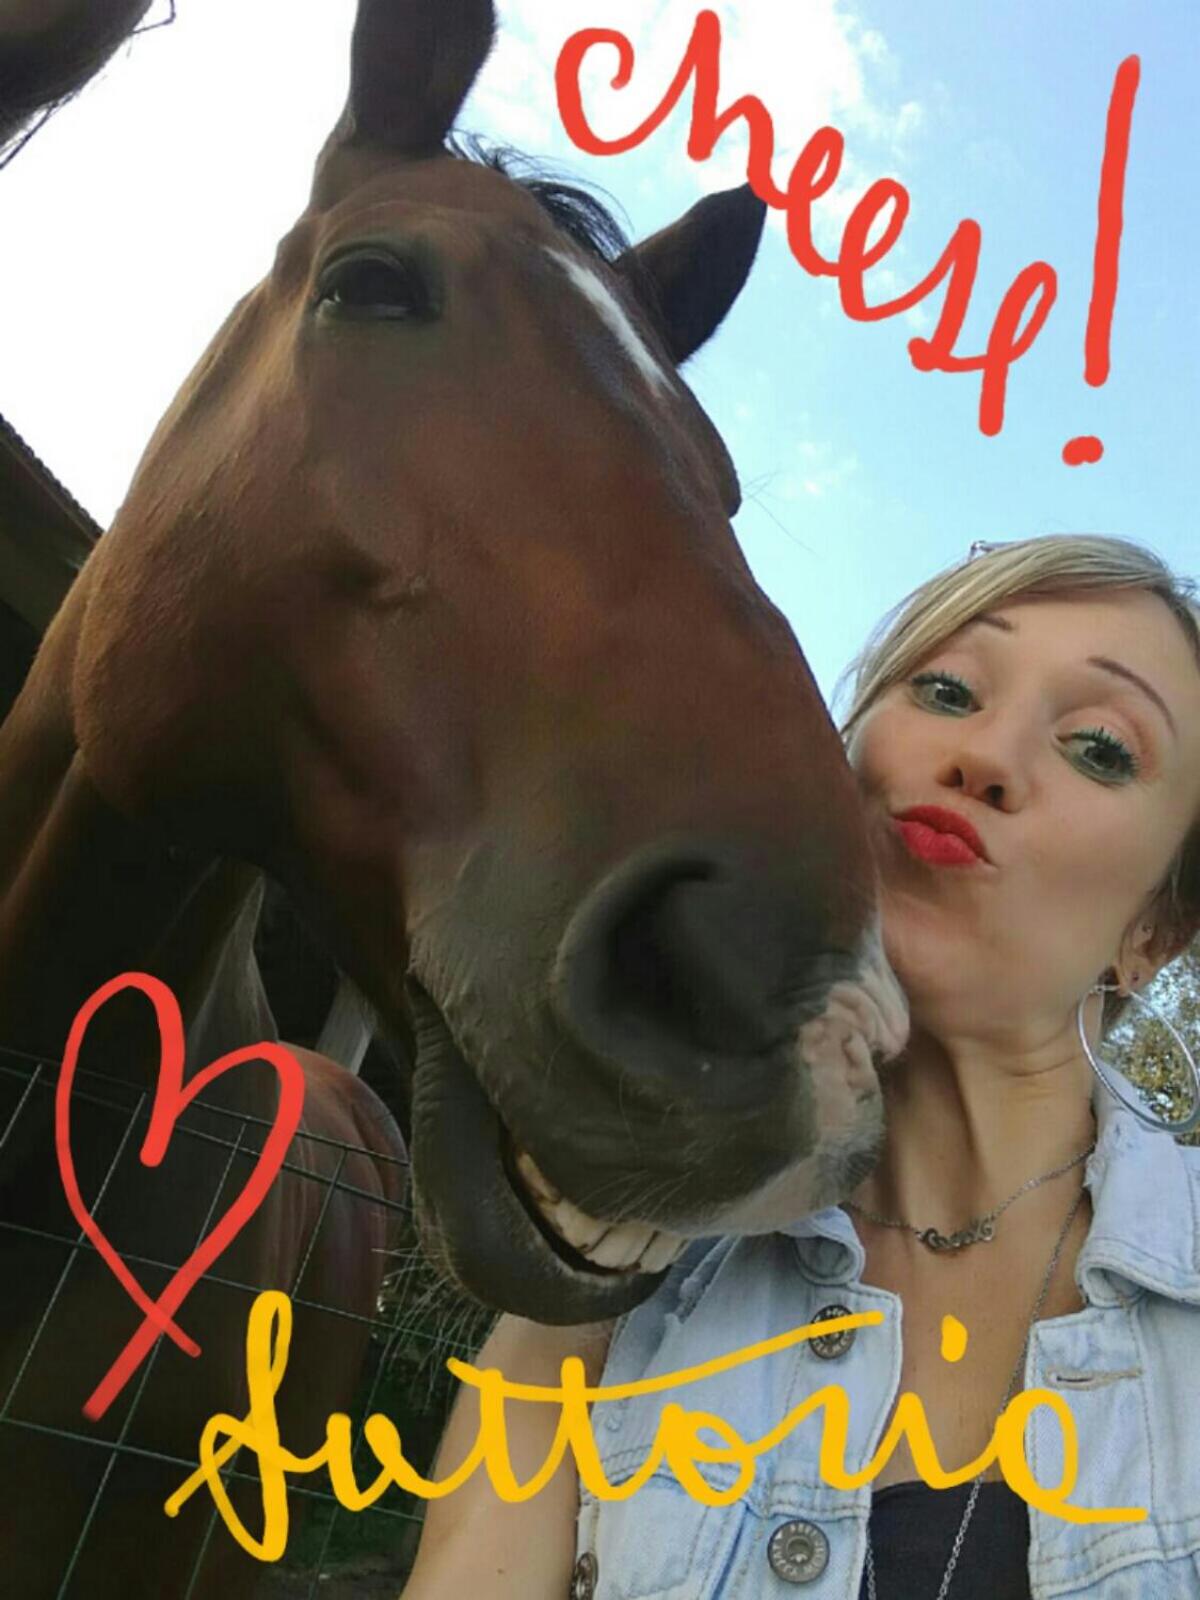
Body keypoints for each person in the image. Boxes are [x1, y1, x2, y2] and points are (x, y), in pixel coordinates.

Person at [401, 534, 1200, 1600]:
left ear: (1155, 933)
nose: (986, 756)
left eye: (1099, 747)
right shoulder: (624, 1264)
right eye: (948, 690)